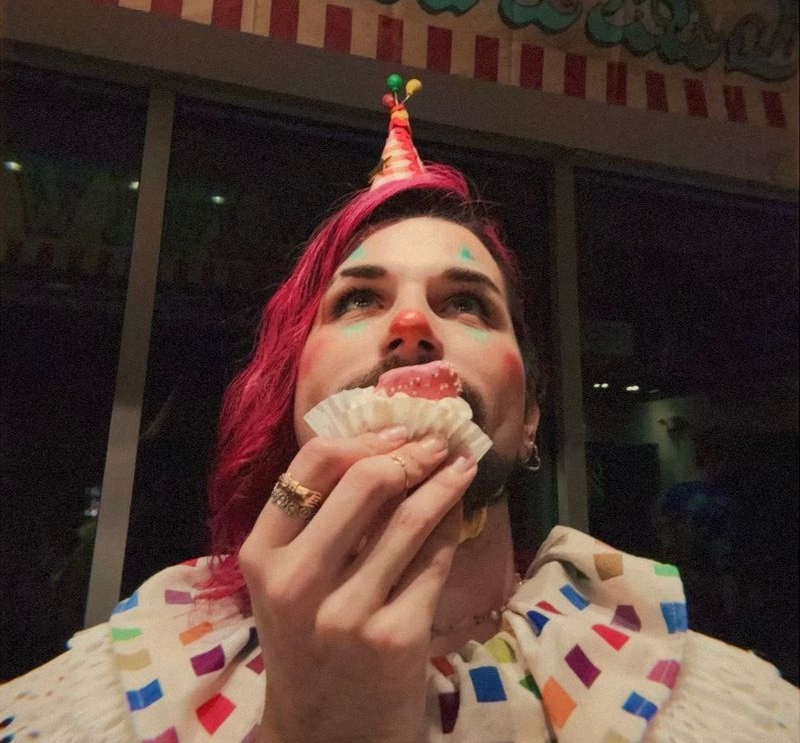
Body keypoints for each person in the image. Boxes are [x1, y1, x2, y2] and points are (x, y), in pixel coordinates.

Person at [1, 77, 798, 742]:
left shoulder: (731, 714)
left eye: (468, 305)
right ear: (293, 397)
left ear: (529, 422)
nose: (412, 325)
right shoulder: (99, 700)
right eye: (357, 300)